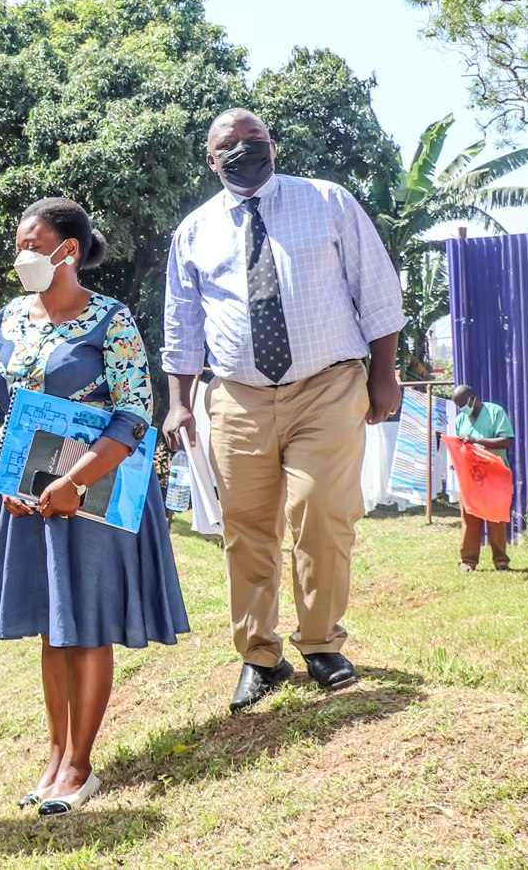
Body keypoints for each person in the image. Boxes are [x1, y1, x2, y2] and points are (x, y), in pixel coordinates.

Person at [163, 108, 405, 713]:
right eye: (232, 144)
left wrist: (385, 374)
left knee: (321, 510)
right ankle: (260, 656)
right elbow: (182, 322)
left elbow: (375, 289)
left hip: (327, 387)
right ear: (211, 158)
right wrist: (177, 403)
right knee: (246, 529)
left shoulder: (327, 201)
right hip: (237, 396)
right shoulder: (193, 231)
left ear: (272, 145)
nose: (248, 150)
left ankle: (322, 643)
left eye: (258, 139)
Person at [0, 198, 188, 816]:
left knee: (86, 623)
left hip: (94, 482)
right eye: (18, 243)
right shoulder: (7, 320)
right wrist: (2, 473)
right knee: (53, 623)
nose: (22, 255)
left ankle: (80, 765)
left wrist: (75, 481)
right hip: (25, 489)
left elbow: (133, 415)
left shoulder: (111, 320)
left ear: (67, 250)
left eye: (33, 243)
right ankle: (54, 756)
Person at [450, 384, 514, 571]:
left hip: (494, 475)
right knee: (470, 518)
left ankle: (501, 561)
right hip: (471, 478)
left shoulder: (495, 412)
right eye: (458, 406)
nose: (462, 408)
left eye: (463, 404)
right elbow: (461, 447)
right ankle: (468, 561)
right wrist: (457, 461)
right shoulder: (461, 419)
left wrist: (476, 440)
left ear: (473, 398)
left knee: (496, 519)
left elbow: (506, 441)